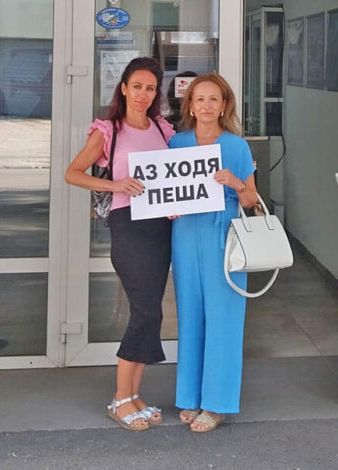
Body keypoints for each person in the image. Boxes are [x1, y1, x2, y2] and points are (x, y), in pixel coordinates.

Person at [64, 57, 175, 432]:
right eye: (137, 86)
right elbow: (73, 173)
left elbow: (172, 178)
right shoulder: (108, 130)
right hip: (128, 225)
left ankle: (134, 395)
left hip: (160, 227)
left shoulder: (161, 128)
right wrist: (115, 184)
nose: (143, 94)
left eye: (151, 88)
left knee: (151, 312)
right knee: (144, 313)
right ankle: (120, 398)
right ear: (124, 88)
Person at [168, 73, 259, 432]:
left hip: (223, 236)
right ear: (190, 105)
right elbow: (165, 191)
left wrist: (236, 183)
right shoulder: (176, 143)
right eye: (199, 99)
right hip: (186, 236)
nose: (206, 105)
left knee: (224, 318)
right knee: (190, 315)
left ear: (224, 105)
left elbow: (251, 201)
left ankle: (217, 403)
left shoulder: (237, 147)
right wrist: (169, 208)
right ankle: (190, 396)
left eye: (213, 99)